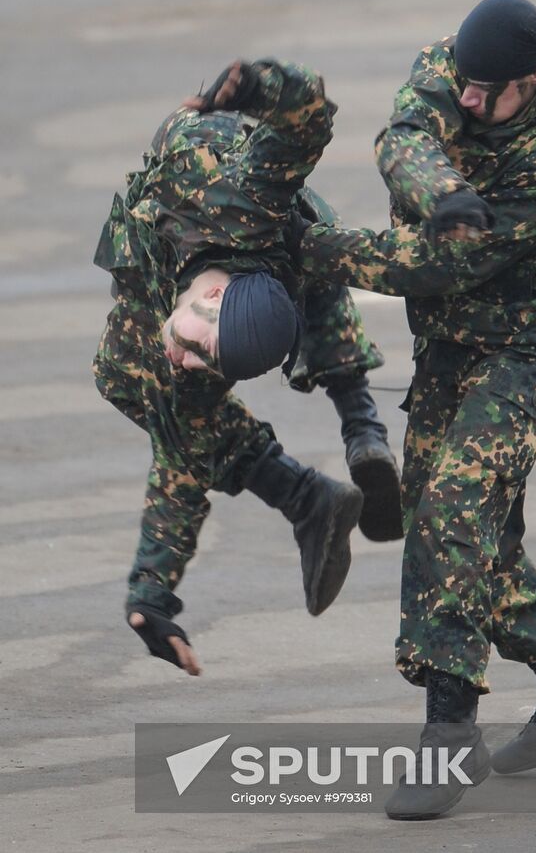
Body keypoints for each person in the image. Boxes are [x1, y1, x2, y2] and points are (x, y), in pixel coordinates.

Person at [286, 0, 536, 819]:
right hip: (447, 347)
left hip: (525, 350)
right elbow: (402, 139)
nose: (469, 101)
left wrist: (314, 250)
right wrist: (443, 187)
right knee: (469, 540)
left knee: (448, 511)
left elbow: (444, 266)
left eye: (488, 93)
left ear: (535, 80)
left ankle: (448, 738)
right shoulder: (458, 62)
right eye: (466, 87)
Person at [93, 57, 402, 677]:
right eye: (199, 349)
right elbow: (306, 119)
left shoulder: (212, 337)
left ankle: (346, 452)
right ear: (210, 299)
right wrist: (258, 86)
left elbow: (183, 454)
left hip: (301, 254)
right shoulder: (225, 187)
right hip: (232, 227)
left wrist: (150, 594)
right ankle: (314, 488)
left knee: (316, 261)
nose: (186, 360)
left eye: (208, 363)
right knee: (129, 377)